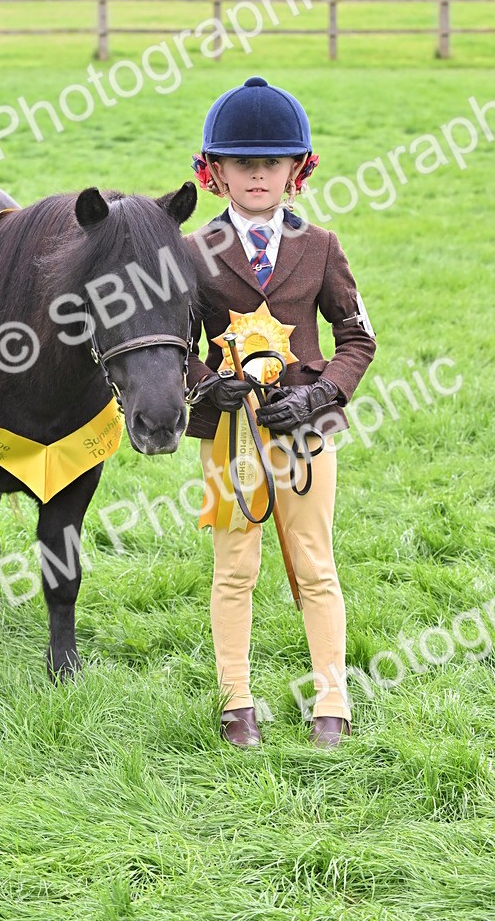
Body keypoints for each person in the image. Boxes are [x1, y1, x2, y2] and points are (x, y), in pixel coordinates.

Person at [184, 75, 376, 748]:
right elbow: (172, 349)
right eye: (243, 162)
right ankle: (237, 701)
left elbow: (359, 339)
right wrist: (209, 385)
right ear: (216, 173)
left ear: (298, 168)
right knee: (235, 567)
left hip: (307, 435)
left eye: (272, 162)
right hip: (231, 442)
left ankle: (332, 699)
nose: (258, 173)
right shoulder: (190, 253)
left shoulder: (321, 246)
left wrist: (319, 394)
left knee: (316, 564)